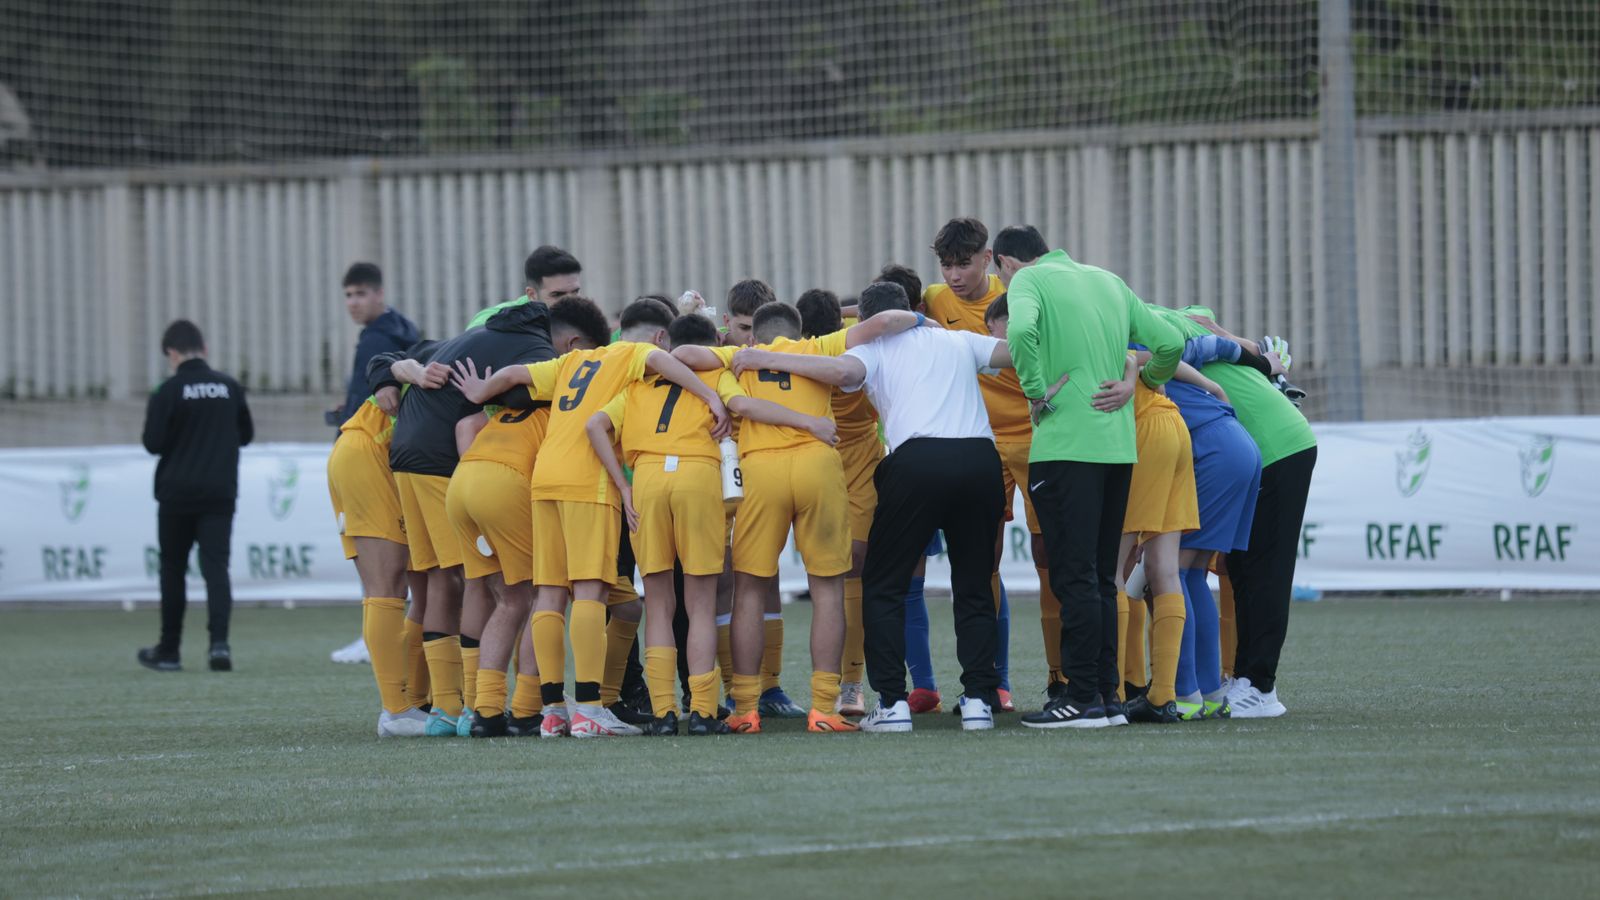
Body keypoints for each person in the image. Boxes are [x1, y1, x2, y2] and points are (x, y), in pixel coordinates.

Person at [731, 281, 1012, 733]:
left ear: (864, 322)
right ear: (909, 308)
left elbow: (839, 373)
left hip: (917, 461)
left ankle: (893, 704)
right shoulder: (958, 339)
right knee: (975, 585)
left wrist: (762, 357)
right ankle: (979, 699)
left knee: (883, 584)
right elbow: (1013, 353)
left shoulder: (874, 347)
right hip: (980, 460)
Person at [453, 298, 731, 738]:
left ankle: (549, 711)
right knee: (589, 591)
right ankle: (587, 708)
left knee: (547, 594)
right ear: (656, 336)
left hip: (544, 478)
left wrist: (478, 393)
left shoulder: (571, 360)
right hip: (589, 481)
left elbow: (512, 376)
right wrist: (710, 394)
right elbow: (666, 361)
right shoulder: (633, 354)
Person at [673, 300, 927, 733]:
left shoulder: (741, 356)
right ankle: (825, 708)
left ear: (755, 335)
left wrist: (739, 359)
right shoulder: (820, 348)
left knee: (749, 590)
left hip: (761, 468)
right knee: (828, 589)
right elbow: (884, 321)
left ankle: (746, 709)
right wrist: (924, 317)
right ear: (801, 333)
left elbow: (683, 356)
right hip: (817, 466)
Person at [588, 312, 838, 735]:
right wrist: (808, 423)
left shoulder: (638, 384)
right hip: (697, 478)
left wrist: (623, 487)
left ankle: (665, 713)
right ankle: (704, 711)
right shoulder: (718, 374)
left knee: (661, 604)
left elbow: (595, 424)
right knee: (701, 604)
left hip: (647, 479)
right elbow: (742, 405)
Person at [1005, 241, 1184, 729]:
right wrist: (1143, 381)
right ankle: (1105, 696)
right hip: (1118, 449)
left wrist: (1036, 390)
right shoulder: (1110, 281)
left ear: (1007, 263)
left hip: (1065, 447)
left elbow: (1020, 330)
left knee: (1074, 575)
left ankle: (1081, 697)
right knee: (1104, 575)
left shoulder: (1029, 280)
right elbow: (1170, 343)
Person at [370, 302, 561, 737]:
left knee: (442, 580)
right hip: (445, 463)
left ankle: (447, 709)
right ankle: (477, 705)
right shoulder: (536, 350)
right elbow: (522, 393)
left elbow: (384, 359)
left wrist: (396, 374)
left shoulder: (458, 343)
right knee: (486, 585)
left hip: (404, 458)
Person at [448, 297, 613, 738]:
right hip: (506, 484)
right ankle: (525, 710)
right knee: (545, 595)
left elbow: (468, 426)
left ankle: (483, 711)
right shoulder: (564, 396)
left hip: (463, 482)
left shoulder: (521, 393)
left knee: (508, 598)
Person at [1148, 304, 1314, 719]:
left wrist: (1254, 357)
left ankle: (1260, 687)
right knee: (1236, 569)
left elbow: (1206, 340)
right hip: (1258, 441)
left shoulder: (1144, 327)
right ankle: (1236, 681)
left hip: (1272, 443)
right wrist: (1257, 354)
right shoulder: (1170, 314)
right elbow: (1211, 331)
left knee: (1263, 571)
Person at [925, 220, 1050, 700]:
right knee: (981, 560)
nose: (955, 275)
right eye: (947, 265)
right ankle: (994, 682)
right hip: (981, 444)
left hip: (1041, 437)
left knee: (1049, 559)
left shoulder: (1022, 292)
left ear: (990, 257)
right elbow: (885, 311)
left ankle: (1061, 676)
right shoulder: (935, 300)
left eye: (964, 263)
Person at [137, 320, 254, 673]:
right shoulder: (229, 386)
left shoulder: (167, 390)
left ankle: (169, 651)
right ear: (203, 349)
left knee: (173, 569)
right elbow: (246, 435)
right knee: (216, 568)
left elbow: (152, 443)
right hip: (220, 492)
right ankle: (219, 646)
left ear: (171, 353)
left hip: (177, 493)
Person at [330, 262, 420, 666]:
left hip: (367, 452)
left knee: (373, 557)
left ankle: (375, 635)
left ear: (379, 295)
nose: (353, 303)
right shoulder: (405, 330)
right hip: (397, 451)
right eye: (348, 295)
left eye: (360, 294)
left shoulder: (375, 339)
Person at [467, 245, 584, 327]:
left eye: (575, 291)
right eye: (558, 294)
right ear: (532, 294)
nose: (571, 302)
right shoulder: (488, 321)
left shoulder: (586, 320)